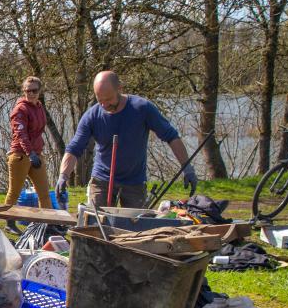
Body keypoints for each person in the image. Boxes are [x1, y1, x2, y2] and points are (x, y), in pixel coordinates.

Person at [55, 71, 197, 208]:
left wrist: (188, 168)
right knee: (96, 224)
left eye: (109, 99)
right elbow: (74, 148)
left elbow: (172, 137)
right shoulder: (92, 115)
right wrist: (63, 176)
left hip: (134, 181)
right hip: (102, 180)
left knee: (137, 227)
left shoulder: (142, 108)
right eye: (100, 100)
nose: (104, 105)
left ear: (119, 89)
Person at [5, 76, 52, 208]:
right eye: (27, 91)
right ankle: (9, 222)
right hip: (20, 155)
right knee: (14, 193)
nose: (30, 93)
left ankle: (46, 223)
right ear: (24, 91)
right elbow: (21, 134)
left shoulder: (39, 107)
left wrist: (36, 152)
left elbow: (38, 131)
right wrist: (30, 153)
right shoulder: (20, 110)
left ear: (40, 91)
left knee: (44, 193)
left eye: (34, 90)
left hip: (36, 154)